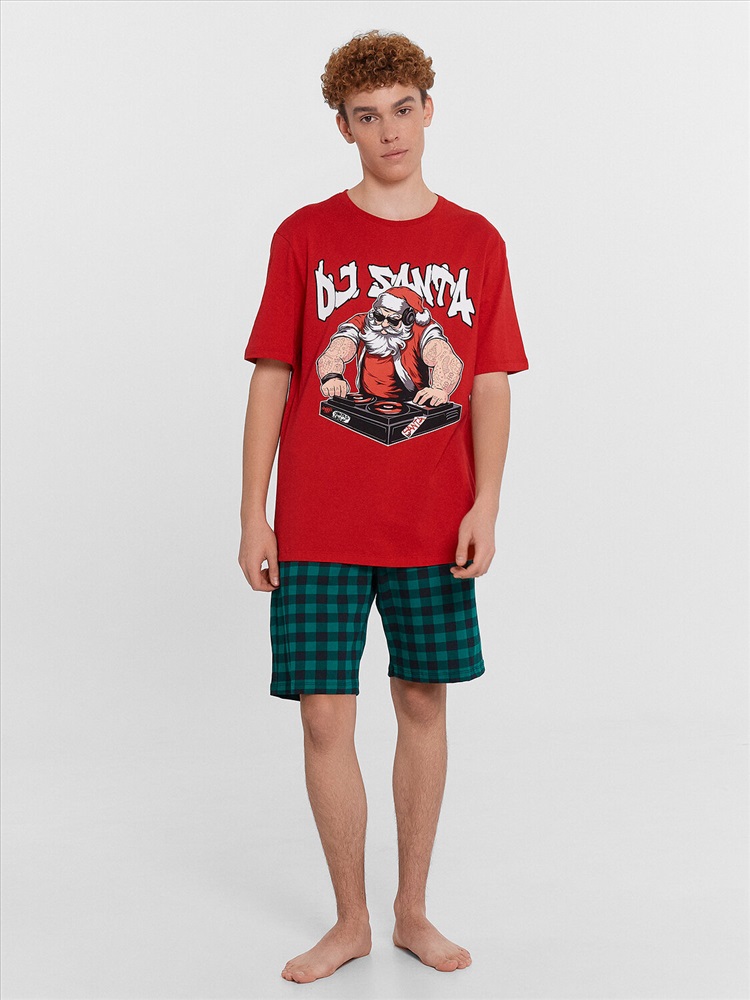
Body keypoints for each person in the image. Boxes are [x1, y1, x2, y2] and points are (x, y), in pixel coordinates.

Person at [238, 29, 529, 985]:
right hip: (318, 521)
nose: (390, 130)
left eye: (403, 109)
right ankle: (351, 920)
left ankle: (411, 911)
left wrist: (487, 502)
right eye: (368, 116)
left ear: (428, 110)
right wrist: (253, 512)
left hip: (432, 518)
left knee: (421, 702)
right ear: (344, 128)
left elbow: (485, 380)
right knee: (325, 717)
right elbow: (276, 373)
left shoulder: (475, 242)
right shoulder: (305, 236)